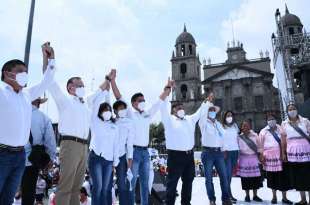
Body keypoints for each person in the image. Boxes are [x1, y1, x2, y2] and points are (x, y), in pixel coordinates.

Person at [45, 59, 110, 205]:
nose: (82, 87)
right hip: (70, 144)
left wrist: (108, 79)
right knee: (65, 186)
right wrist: (49, 59)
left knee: (76, 187)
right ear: (70, 87)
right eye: (79, 85)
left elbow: (99, 90)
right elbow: (49, 79)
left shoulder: (85, 102)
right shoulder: (64, 100)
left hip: (83, 146)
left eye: (83, 85)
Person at [0, 42, 56, 205]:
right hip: (2, 153)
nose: (24, 75)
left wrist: (50, 59)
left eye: (26, 72)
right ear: (7, 73)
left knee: (8, 198)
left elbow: (47, 81)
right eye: (20, 72)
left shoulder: (26, 94)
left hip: (19, 155)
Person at [109, 69, 172, 205]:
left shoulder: (146, 114)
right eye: (140, 100)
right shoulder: (130, 113)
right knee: (131, 183)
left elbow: (158, 102)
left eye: (144, 100)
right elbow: (119, 97)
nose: (143, 102)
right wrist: (113, 81)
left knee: (145, 185)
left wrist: (167, 89)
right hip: (134, 152)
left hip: (145, 152)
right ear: (133, 103)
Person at [159, 83, 209, 205]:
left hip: (189, 156)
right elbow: (162, 105)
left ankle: (186, 203)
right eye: (177, 107)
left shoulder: (190, 119)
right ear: (173, 110)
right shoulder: (169, 120)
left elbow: (200, 112)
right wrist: (166, 91)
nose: (180, 109)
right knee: (172, 183)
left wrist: (206, 102)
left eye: (182, 107)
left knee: (188, 182)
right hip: (175, 156)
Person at [88, 76, 119, 205]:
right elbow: (96, 103)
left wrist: (115, 160)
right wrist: (106, 84)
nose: (107, 111)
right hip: (96, 157)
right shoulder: (95, 121)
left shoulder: (114, 125)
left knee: (107, 189)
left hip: (109, 160)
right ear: (100, 112)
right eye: (105, 110)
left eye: (109, 110)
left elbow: (116, 144)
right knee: (98, 188)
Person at [21, 97, 56, 205]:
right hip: (32, 160)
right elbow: (50, 141)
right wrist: (50, 158)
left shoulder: (17, 113)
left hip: (12, 155)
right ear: (38, 103)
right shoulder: (44, 118)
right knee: (29, 192)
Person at [199, 104, 232, 205]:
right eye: (210, 110)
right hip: (207, 152)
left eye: (214, 110)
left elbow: (223, 137)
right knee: (208, 179)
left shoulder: (218, 124)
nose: (212, 111)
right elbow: (203, 112)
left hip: (219, 153)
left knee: (224, 177)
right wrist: (207, 104)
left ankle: (225, 199)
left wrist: (224, 149)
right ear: (207, 112)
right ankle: (212, 199)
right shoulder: (203, 122)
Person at [258, 113, 293, 204]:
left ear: (276, 119)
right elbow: (260, 145)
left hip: (281, 155)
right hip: (269, 157)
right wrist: (261, 156)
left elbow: (286, 141)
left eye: (272, 118)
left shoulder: (281, 129)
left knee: (283, 177)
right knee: (272, 177)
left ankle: (284, 197)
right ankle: (274, 197)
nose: (271, 120)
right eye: (269, 119)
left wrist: (285, 153)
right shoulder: (263, 131)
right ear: (267, 121)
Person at [280, 103, 310, 205]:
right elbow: (283, 140)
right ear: (287, 112)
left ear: (297, 110)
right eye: (290, 109)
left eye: (293, 109)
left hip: (306, 151)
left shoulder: (305, 121)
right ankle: (303, 200)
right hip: (292, 153)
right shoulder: (284, 124)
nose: (292, 110)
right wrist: (283, 153)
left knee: (308, 175)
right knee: (298, 177)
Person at [108, 99, 134, 205]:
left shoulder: (129, 123)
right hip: (108, 157)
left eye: (124, 108)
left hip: (122, 156)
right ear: (115, 111)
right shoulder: (110, 122)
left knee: (122, 185)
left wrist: (130, 159)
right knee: (107, 185)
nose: (123, 110)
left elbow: (130, 143)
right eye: (120, 109)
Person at [237, 120, 263, 203]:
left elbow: (259, 147)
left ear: (250, 126)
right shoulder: (239, 137)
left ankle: (255, 195)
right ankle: (247, 195)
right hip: (243, 159)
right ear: (241, 128)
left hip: (254, 159)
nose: (245, 127)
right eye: (244, 126)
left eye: (247, 125)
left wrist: (261, 155)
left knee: (255, 178)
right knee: (245, 179)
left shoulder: (255, 136)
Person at [221, 111, 239, 203]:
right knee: (226, 175)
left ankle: (228, 193)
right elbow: (220, 139)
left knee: (230, 176)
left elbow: (237, 138)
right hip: (226, 153)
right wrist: (223, 150)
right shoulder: (221, 126)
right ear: (224, 117)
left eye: (231, 115)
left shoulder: (235, 126)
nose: (230, 117)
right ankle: (227, 195)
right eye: (228, 115)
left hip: (235, 152)